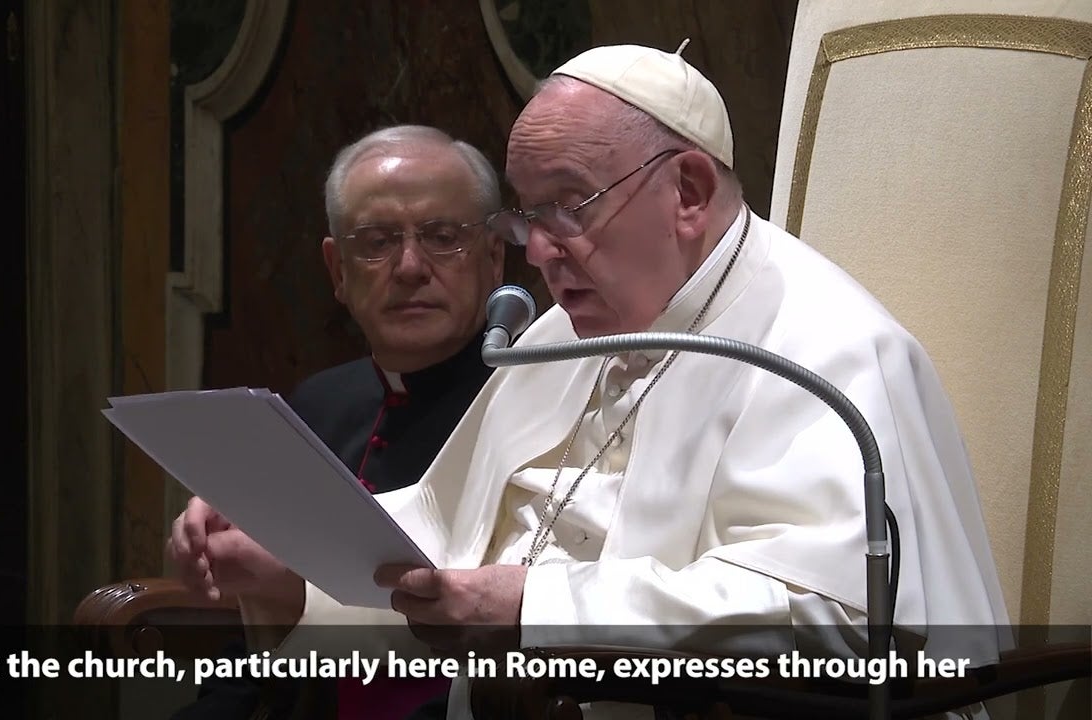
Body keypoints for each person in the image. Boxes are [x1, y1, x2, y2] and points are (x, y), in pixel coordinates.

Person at [177, 46, 1011, 720]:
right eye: (527, 216)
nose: (537, 252)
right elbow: (447, 526)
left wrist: (537, 609)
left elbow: (831, 620)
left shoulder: (826, 348)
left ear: (687, 191)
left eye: (569, 207)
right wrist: (291, 563)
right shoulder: (566, 333)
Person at [168, 124, 504, 720]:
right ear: (338, 270)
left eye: (443, 236)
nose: (409, 266)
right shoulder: (319, 404)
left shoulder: (536, 403)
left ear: (494, 256)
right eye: (376, 241)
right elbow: (252, 666)